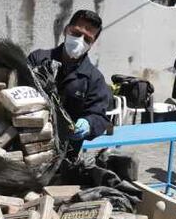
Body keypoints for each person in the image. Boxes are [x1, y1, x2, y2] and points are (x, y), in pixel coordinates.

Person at [28, 9, 113, 142]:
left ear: (92, 44)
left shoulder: (94, 79)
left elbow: (100, 117)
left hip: (67, 150)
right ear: (66, 30)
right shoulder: (37, 59)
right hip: (30, 139)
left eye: (87, 39)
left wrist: (88, 123)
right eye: (76, 33)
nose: (80, 41)